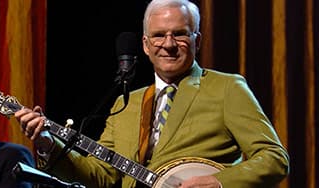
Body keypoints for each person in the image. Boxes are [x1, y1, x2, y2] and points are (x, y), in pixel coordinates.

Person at [15, 0, 290, 187]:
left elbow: (275, 159)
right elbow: (101, 175)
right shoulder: (128, 101)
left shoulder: (227, 87)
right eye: (159, 35)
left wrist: (221, 182)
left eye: (180, 34)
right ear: (146, 45)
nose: (168, 45)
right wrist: (48, 144)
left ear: (198, 40)